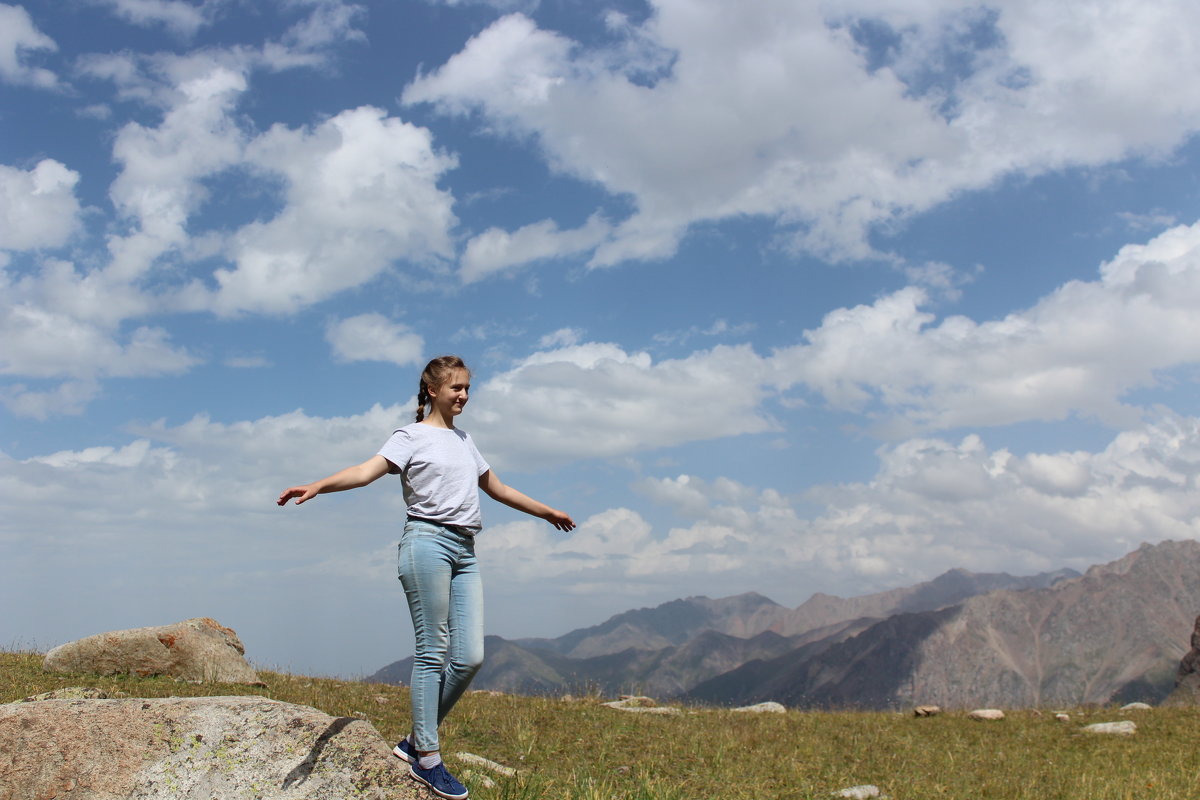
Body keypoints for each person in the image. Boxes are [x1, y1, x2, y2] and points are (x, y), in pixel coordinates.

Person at [277, 355, 575, 799]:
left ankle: (415, 742)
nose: (464, 396)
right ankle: (428, 758)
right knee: (432, 649)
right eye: (456, 388)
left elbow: (498, 488)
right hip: (426, 543)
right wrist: (319, 484)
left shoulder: (464, 441)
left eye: (468, 388)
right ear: (432, 390)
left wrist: (546, 511)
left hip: (466, 549)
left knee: (470, 656)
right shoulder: (410, 437)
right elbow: (365, 472)